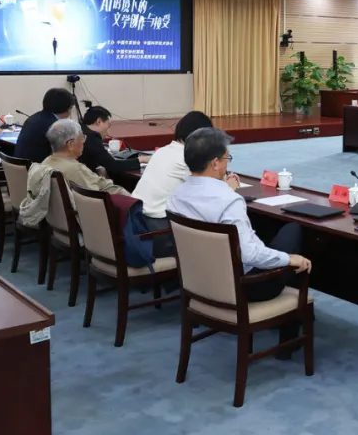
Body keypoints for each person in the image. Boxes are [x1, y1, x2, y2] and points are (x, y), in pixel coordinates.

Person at [167, 128, 312, 307]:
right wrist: (289, 259)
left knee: (263, 232)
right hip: (243, 287)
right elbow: (249, 254)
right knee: (293, 229)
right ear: (215, 163)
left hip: (198, 281)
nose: (227, 164)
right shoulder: (229, 200)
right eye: (226, 158)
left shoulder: (175, 196)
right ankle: (294, 316)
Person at [18, 119, 130, 228]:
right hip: (90, 226)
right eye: (82, 138)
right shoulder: (74, 169)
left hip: (56, 224)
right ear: (70, 144)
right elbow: (96, 200)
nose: (84, 142)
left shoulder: (46, 162)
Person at [131, 111, 214, 237]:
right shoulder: (186, 158)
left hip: (136, 221)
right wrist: (229, 186)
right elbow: (209, 190)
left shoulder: (162, 151)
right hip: (157, 229)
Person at [79, 106, 150, 177]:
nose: (108, 131)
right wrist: (141, 159)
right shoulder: (91, 138)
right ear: (99, 122)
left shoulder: (80, 130)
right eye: (108, 125)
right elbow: (113, 166)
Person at [15, 87, 75, 164]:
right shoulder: (55, 126)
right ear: (68, 108)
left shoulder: (34, 117)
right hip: (37, 168)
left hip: (21, 166)